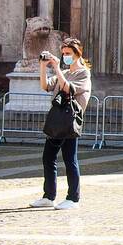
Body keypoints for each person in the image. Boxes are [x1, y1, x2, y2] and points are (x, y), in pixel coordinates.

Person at [31, 38, 92, 211]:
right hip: (57, 120)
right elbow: (45, 86)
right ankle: (49, 196)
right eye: (63, 53)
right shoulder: (63, 72)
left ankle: (73, 198)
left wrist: (57, 68)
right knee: (48, 157)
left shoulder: (83, 73)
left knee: (69, 159)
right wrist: (43, 66)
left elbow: (68, 88)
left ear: (77, 54)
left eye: (68, 54)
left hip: (70, 120)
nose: (65, 56)